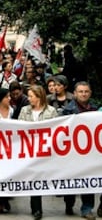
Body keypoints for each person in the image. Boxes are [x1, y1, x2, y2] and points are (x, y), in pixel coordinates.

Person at [18, 85, 57, 220]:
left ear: (39, 96)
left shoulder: (51, 111)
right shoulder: (24, 111)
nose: (29, 99)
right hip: (29, 149)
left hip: (45, 150)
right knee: (34, 178)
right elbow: (18, 128)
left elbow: (56, 129)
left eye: (31, 96)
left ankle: (69, 203)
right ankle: (36, 209)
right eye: (28, 96)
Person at [62, 81, 98, 220]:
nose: (83, 94)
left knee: (88, 179)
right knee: (71, 181)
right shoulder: (67, 110)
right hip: (72, 152)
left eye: (86, 92)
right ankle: (69, 203)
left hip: (90, 152)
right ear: (75, 93)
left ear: (90, 93)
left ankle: (87, 209)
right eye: (81, 91)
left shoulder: (96, 110)